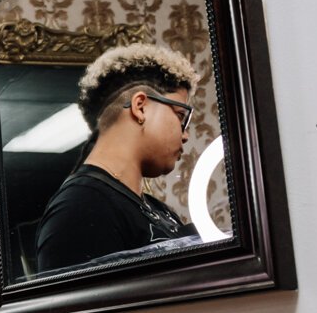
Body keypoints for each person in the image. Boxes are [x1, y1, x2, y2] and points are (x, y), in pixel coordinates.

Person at [35, 43, 201, 272]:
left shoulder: (157, 210)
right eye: (181, 116)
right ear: (140, 107)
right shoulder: (80, 209)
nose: (185, 135)